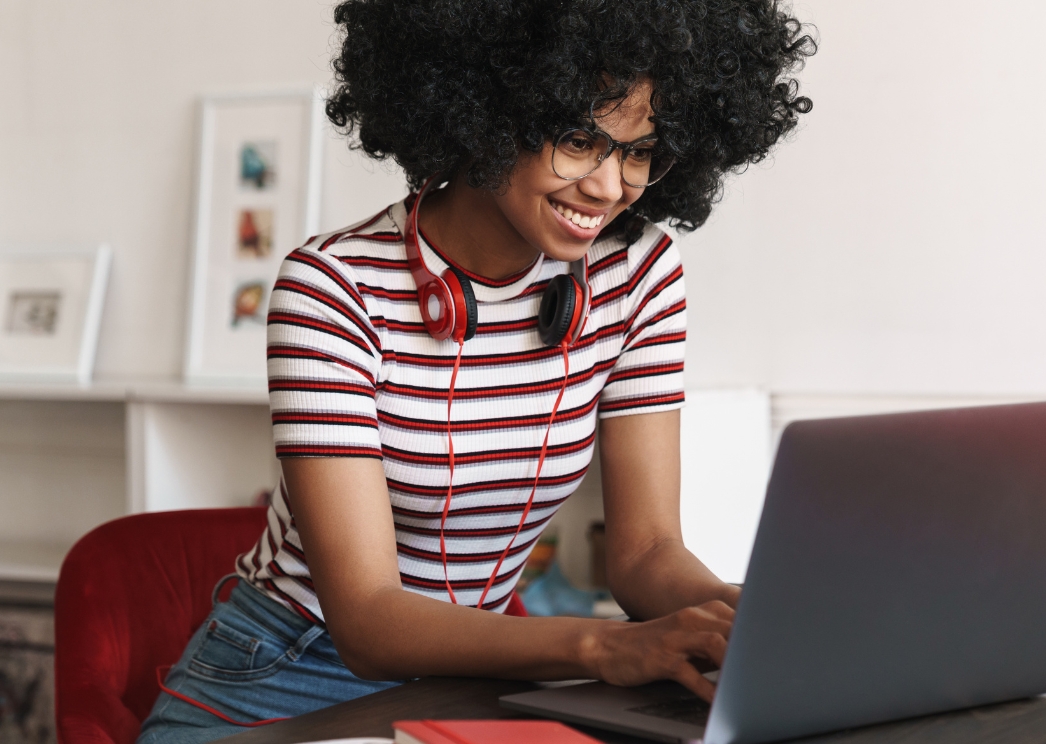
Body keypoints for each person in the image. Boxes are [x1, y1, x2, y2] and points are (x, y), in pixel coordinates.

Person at [140, 1, 813, 741]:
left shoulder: (638, 272)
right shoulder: (333, 289)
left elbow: (647, 553)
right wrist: (603, 646)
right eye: (580, 139)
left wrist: (728, 616)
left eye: (640, 151)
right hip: (282, 679)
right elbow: (367, 623)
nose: (607, 186)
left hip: (471, 681)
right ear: (488, 111)